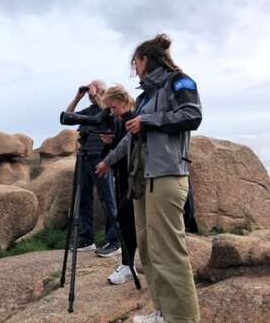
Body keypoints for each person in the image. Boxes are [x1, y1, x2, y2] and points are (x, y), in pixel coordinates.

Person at [96, 34, 202, 323]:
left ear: (145, 60)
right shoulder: (145, 97)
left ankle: (182, 318)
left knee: (168, 251)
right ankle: (163, 312)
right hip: (142, 181)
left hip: (166, 177)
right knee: (148, 249)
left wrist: (149, 121)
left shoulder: (179, 82)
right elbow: (131, 139)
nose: (134, 67)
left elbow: (192, 115)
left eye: (136, 61)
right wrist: (107, 161)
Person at [66, 80, 121, 257]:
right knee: (83, 198)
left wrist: (96, 94)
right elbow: (68, 116)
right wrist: (78, 97)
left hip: (102, 157)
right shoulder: (89, 111)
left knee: (108, 199)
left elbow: (107, 110)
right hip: (84, 156)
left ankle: (115, 240)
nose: (92, 93)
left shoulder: (109, 109)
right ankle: (86, 238)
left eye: (97, 89)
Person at [100, 85, 138, 284]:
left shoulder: (132, 120)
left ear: (123, 102)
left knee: (128, 221)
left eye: (113, 107)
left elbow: (127, 150)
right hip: (121, 178)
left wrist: (108, 159)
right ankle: (128, 264)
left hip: (132, 180)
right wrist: (108, 143)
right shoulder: (118, 122)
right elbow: (116, 150)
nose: (111, 112)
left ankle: (128, 265)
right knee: (125, 221)